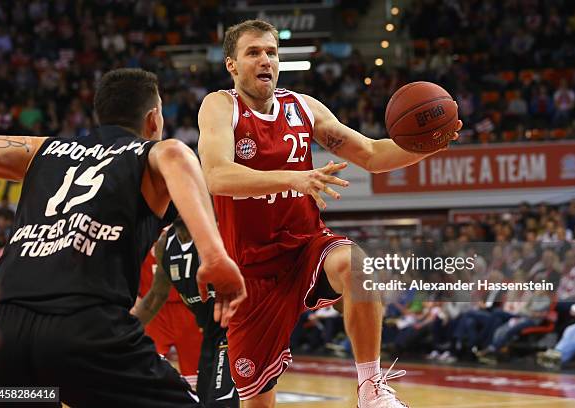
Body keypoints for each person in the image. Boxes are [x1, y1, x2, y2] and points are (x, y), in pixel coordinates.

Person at [197, 19, 461, 407]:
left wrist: (430, 145)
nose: (265, 59)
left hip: (306, 246)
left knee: (358, 268)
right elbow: (216, 175)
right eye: (253, 52)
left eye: (271, 52)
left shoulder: (303, 108)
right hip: (252, 270)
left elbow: (371, 155)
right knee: (257, 401)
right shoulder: (220, 106)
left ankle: (371, 388)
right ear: (232, 65)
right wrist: (295, 179)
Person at [0, 68, 246, 407]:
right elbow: (175, 155)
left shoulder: (44, 150)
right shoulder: (149, 154)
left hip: (4, 334)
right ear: (154, 119)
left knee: (32, 399)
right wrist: (214, 255)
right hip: (85, 332)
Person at [133, 215, 239, 408]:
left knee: (221, 403)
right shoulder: (165, 243)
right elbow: (155, 297)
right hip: (209, 335)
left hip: (234, 330)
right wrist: (120, 332)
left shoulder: (221, 231)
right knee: (204, 402)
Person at [136, 245, 203, 390]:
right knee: (144, 371)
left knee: (196, 380)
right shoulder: (142, 227)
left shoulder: (189, 226)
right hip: (152, 308)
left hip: (187, 305)